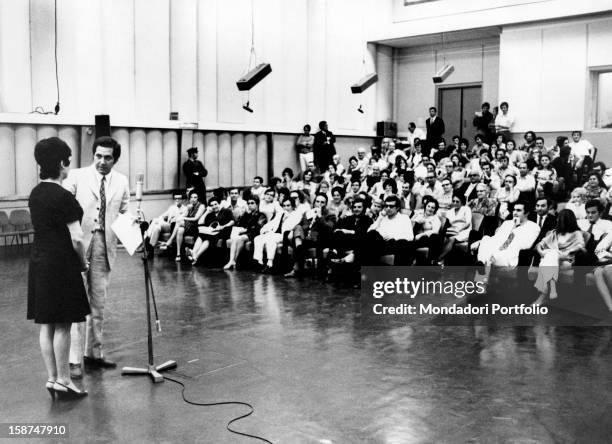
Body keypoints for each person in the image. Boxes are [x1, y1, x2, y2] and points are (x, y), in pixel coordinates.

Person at [63, 136, 130, 378]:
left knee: (98, 304)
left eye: (108, 157)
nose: (102, 161)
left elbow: (124, 212)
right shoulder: (76, 176)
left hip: (105, 244)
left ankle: (94, 354)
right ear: (93, 156)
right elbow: (62, 205)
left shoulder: (121, 181)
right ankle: (74, 360)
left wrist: (136, 236)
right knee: (76, 303)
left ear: (115, 159)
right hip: (79, 243)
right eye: (98, 156)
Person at [28, 137, 90, 399]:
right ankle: (65, 380)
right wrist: (83, 262)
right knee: (63, 324)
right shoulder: (64, 196)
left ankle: (53, 378)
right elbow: (77, 237)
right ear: (62, 163)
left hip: (39, 261)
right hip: (61, 264)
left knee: (47, 324)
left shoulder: (35, 193)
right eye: (68, 161)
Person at [472, 201, 539, 281]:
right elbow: (495, 239)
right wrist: (481, 241)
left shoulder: (533, 227)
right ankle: (481, 263)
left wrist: (514, 230)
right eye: (514, 210)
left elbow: (526, 245)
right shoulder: (507, 223)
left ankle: (481, 279)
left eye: (518, 210)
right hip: (498, 250)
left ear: (527, 213)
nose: (515, 213)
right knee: (486, 238)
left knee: (489, 257)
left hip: (512, 255)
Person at [532, 209, 585, 306]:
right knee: (551, 255)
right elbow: (540, 244)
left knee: (549, 257)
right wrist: (541, 252)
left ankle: (544, 295)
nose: (558, 221)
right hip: (552, 260)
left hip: (567, 261)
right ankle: (551, 288)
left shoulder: (577, 233)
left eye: (560, 220)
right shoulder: (555, 232)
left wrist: (566, 253)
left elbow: (581, 247)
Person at [285, 193, 337, 277]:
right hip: (308, 238)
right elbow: (301, 224)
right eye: (317, 201)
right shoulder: (308, 213)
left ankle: (297, 268)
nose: (319, 204)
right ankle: (297, 261)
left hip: (321, 239)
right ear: (314, 202)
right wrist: (293, 230)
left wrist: (320, 217)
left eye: (322, 202)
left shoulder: (330, 215)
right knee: (292, 232)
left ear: (326, 204)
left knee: (299, 243)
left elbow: (329, 229)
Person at [253, 198, 302, 272]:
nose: (286, 208)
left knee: (271, 239)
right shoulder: (280, 213)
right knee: (257, 238)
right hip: (275, 234)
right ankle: (259, 261)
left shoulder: (296, 215)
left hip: (285, 235)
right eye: (284, 206)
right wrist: (265, 230)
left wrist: (285, 220)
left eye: (288, 205)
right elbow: (271, 223)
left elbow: (290, 228)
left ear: (292, 206)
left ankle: (270, 263)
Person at [363, 195, 415, 265]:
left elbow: (410, 237)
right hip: (382, 245)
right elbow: (369, 233)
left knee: (403, 243)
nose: (388, 208)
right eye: (386, 206)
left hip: (396, 244)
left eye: (391, 206)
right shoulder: (382, 218)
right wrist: (379, 219)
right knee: (372, 234)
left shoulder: (404, 218)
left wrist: (393, 237)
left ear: (397, 208)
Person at [223, 196, 267, 270]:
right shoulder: (248, 215)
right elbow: (241, 224)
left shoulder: (261, 215)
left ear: (257, 204)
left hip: (256, 234)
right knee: (236, 239)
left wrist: (245, 231)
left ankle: (233, 261)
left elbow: (257, 229)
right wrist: (243, 215)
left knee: (240, 238)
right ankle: (232, 261)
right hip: (248, 233)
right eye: (248, 203)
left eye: (252, 203)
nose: (250, 205)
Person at [187, 197, 234, 265]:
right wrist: (206, 212)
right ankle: (194, 254)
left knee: (208, 237)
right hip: (212, 233)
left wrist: (222, 226)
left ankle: (194, 255)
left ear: (219, 204)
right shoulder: (211, 214)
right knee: (201, 235)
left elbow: (232, 221)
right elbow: (200, 222)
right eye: (212, 205)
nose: (214, 206)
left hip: (224, 231)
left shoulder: (226, 211)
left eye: (216, 204)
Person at [161, 191, 205, 261]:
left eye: (195, 197)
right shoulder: (190, 206)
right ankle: (178, 254)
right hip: (189, 225)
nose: (193, 199)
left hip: (195, 226)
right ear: (189, 198)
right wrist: (186, 210)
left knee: (179, 221)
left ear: (198, 198)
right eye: (191, 197)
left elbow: (195, 218)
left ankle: (170, 241)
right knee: (180, 230)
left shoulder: (201, 206)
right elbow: (182, 216)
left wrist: (183, 218)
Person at [329, 198, 372, 264]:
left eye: (359, 207)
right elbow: (336, 228)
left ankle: (338, 254)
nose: (356, 209)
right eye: (354, 207)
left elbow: (364, 233)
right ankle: (334, 252)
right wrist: (341, 216)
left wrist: (348, 231)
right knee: (338, 233)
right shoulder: (349, 218)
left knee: (363, 237)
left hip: (359, 243)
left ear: (364, 208)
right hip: (347, 243)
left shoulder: (368, 220)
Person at [436, 193, 472, 265]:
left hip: (464, 230)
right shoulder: (450, 211)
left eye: (457, 201)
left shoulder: (466, 209)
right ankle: (442, 261)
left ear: (461, 202)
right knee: (443, 237)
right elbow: (439, 214)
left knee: (452, 238)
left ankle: (440, 258)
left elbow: (468, 223)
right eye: (453, 201)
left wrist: (459, 229)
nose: (455, 203)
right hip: (453, 230)